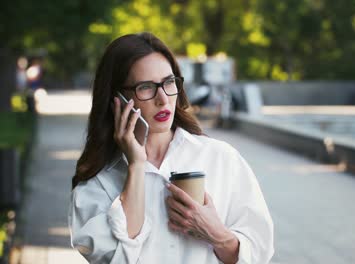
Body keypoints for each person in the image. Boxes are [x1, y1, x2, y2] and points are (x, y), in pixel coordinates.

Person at [68, 32, 274, 264]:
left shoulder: (221, 158)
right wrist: (136, 165)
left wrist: (218, 236)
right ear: (118, 99)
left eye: (168, 82)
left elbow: (260, 251)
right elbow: (116, 259)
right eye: (146, 87)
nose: (163, 99)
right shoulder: (98, 180)